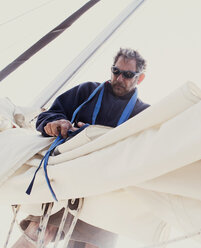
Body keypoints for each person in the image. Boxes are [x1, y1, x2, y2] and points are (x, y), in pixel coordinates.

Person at [13, 48, 150, 248]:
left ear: (140, 78)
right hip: (67, 179)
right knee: (40, 230)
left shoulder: (143, 113)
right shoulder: (86, 92)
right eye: (116, 71)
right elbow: (47, 116)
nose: (119, 78)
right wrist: (56, 123)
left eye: (128, 74)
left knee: (93, 244)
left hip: (106, 189)